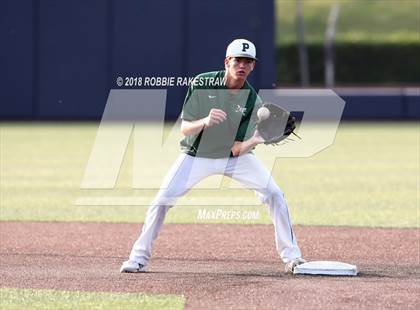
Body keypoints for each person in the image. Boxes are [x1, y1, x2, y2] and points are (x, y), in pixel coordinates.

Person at [120, 39, 305, 274]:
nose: (242, 65)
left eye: (248, 62)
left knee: (274, 193)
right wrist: (205, 121)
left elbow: (236, 149)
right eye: (238, 60)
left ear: (253, 67)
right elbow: (185, 128)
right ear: (227, 62)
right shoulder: (202, 83)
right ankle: (137, 258)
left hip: (233, 158)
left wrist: (256, 139)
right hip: (196, 156)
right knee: (162, 200)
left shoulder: (252, 101)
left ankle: (292, 257)